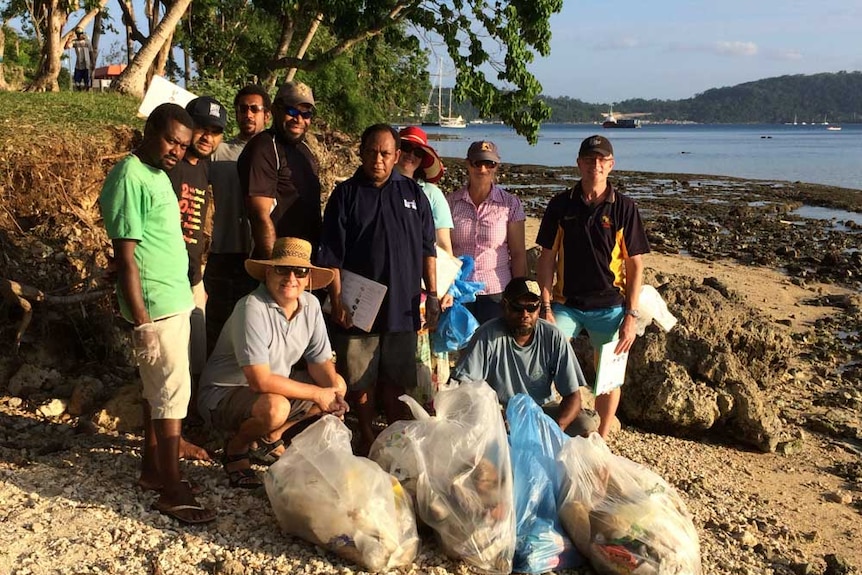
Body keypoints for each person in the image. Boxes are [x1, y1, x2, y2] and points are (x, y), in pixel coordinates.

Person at [99, 102, 216, 524]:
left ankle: (153, 471)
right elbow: (126, 258)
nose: (176, 150)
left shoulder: (159, 175)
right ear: (150, 131)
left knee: (157, 393)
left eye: (182, 145)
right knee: (171, 396)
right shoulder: (130, 175)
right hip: (156, 306)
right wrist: (142, 321)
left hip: (174, 299)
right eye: (170, 140)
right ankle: (172, 489)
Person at [317, 123, 439, 455]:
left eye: (386, 153)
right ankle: (367, 433)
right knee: (359, 376)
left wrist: (434, 295)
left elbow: (429, 250)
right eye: (371, 152)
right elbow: (331, 255)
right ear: (361, 152)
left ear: (397, 155)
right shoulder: (345, 195)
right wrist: (337, 298)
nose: (378, 160)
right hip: (360, 304)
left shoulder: (414, 194)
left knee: (398, 375)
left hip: (404, 303)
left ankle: (394, 435)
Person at [198, 237, 348, 488]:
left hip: (271, 390)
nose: (291, 278)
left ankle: (272, 436)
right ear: (268, 272)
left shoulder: (311, 305)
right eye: (282, 269)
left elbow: (319, 361)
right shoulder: (251, 307)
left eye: (300, 271)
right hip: (224, 393)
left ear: (308, 278)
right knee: (275, 408)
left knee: (338, 386)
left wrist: (333, 396)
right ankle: (236, 449)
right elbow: (259, 380)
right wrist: (318, 395)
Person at [536, 135, 651, 439]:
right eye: (589, 160)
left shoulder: (624, 207)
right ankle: (552, 426)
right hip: (566, 304)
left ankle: (600, 439)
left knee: (609, 378)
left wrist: (630, 315)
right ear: (579, 164)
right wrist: (545, 306)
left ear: (611, 165)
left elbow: (635, 265)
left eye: (601, 160)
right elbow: (546, 258)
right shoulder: (561, 204)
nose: (595, 166)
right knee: (541, 356)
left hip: (611, 306)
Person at [450, 277, 591, 434]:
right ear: (504, 306)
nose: (525, 314)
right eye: (517, 307)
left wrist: (557, 429)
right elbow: (463, 386)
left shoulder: (553, 336)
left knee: (585, 424)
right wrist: (492, 415)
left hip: (540, 410)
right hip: (500, 412)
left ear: (539, 309)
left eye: (531, 308)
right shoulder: (487, 334)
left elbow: (573, 395)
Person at [205, 85, 272, 356]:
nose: (248, 114)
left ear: (266, 115)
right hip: (224, 253)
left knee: (258, 328)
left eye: (254, 109)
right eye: (242, 108)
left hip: (261, 255)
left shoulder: (274, 154)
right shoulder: (218, 154)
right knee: (218, 326)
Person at [168, 96, 226, 386]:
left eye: (215, 131)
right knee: (170, 354)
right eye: (201, 127)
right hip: (165, 275)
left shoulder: (205, 169)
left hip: (192, 274)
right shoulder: (169, 166)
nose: (207, 136)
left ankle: (191, 415)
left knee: (197, 349)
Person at [238, 81, 321, 260]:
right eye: (291, 111)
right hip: (278, 265)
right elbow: (260, 215)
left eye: (305, 113)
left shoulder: (306, 151)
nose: (298, 119)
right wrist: (274, 268)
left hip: (303, 263)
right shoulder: (264, 147)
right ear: (275, 110)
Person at [448, 140, 527, 325]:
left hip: (496, 290)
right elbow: (445, 249)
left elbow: (517, 253)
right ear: (468, 164)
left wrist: (519, 292)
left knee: (494, 348)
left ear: (496, 166)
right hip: (459, 290)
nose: (483, 169)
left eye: (489, 163)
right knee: (463, 350)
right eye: (477, 163)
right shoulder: (451, 202)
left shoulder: (510, 204)